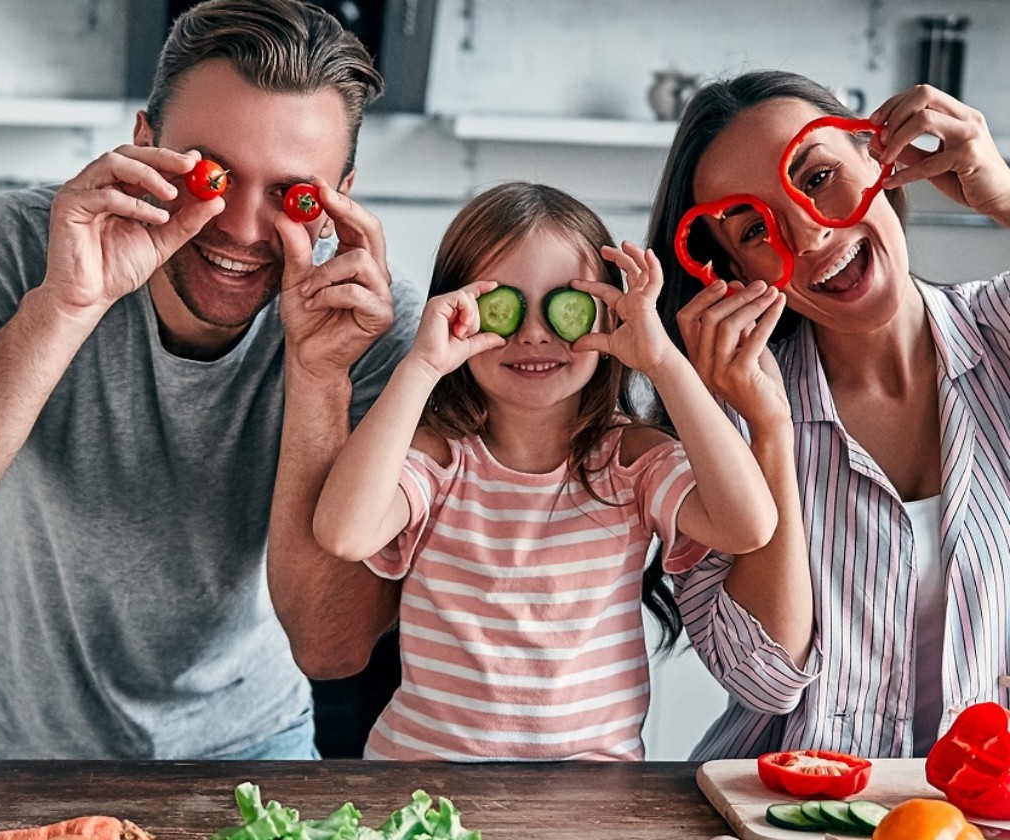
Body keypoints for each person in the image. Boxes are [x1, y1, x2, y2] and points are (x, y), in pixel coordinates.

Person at [0, 0, 420, 759]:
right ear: (144, 143)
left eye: (293, 194)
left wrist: (319, 376)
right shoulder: (24, 245)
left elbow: (331, 647)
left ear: (341, 193)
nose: (242, 228)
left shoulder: (370, 324)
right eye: (210, 174)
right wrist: (67, 305)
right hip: (7, 735)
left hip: (250, 746)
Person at [313, 181, 780, 760]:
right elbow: (343, 532)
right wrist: (422, 364)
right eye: (502, 307)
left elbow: (748, 525)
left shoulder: (628, 460)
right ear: (455, 312)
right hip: (423, 786)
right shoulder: (440, 458)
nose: (534, 332)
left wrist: (661, 359)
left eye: (563, 305)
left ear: (609, 315)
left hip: (588, 797)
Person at [648, 70, 1010, 759]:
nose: (809, 235)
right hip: (780, 825)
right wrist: (770, 432)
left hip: (982, 821)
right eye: (755, 228)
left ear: (881, 157)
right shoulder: (719, 422)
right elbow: (765, 681)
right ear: (733, 273)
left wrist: (1006, 195)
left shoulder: (1001, 332)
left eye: (816, 179)